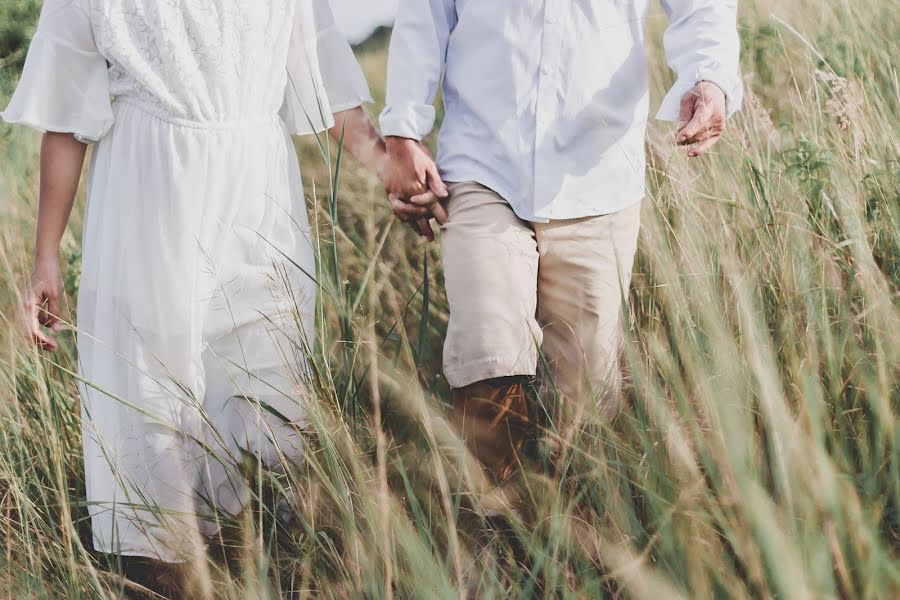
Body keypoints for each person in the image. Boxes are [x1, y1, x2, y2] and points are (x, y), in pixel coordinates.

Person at [2, 0, 388, 591]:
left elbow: (329, 84)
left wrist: (393, 172)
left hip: (257, 191)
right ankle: (164, 571)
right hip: (148, 189)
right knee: (151, 385)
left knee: (268, 375)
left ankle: (264, 562)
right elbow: (66, 112)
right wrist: (45, 256)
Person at [381, 0, 742, 483]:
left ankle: (573, 534)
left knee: (584, 400)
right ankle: (495, 522)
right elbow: (423, 14)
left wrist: (709, 77)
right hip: (482, 163)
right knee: (487, 353)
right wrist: (403, 133)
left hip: (598, 173)